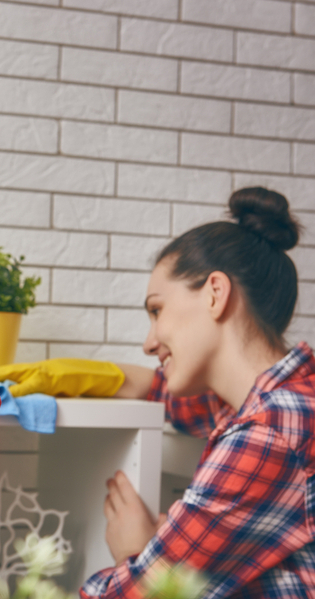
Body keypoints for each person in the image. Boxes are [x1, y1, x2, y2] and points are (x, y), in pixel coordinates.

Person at [81, 187, 315, 598]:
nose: (149, 343)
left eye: (157, 311)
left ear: (215, 294)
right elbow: (165, 394)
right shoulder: (278, 399)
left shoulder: (268, 432)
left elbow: (136, 593)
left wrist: (135, 552)